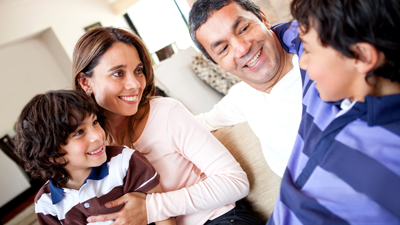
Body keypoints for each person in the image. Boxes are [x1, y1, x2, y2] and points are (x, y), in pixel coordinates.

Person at [72, 27, 262, 225]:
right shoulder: (89, 147)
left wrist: (151, 207)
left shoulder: (165, 113)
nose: (135, 84)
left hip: (219, 218)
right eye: (118, 73)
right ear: (86, 83)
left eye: (138, 71)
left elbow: (235, 181)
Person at [267, 0, 400, 224]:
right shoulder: (327, 87)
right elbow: (290, 32)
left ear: (362, 57)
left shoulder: (389, 153)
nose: (302, 62)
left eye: (308, 50)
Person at [14, 90, 175, 225]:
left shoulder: (125, 161)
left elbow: (163, 214)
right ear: (51, 156)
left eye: (95, 122)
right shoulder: (46, 204)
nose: (98, 136)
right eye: (79, 132)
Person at [189, 0, 303, 179]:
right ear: (218, 64)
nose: (242, 48)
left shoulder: (317, 64)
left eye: (243, 29)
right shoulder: (242, 96)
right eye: (224, 48)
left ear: (263, 19)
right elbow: (190, 126)